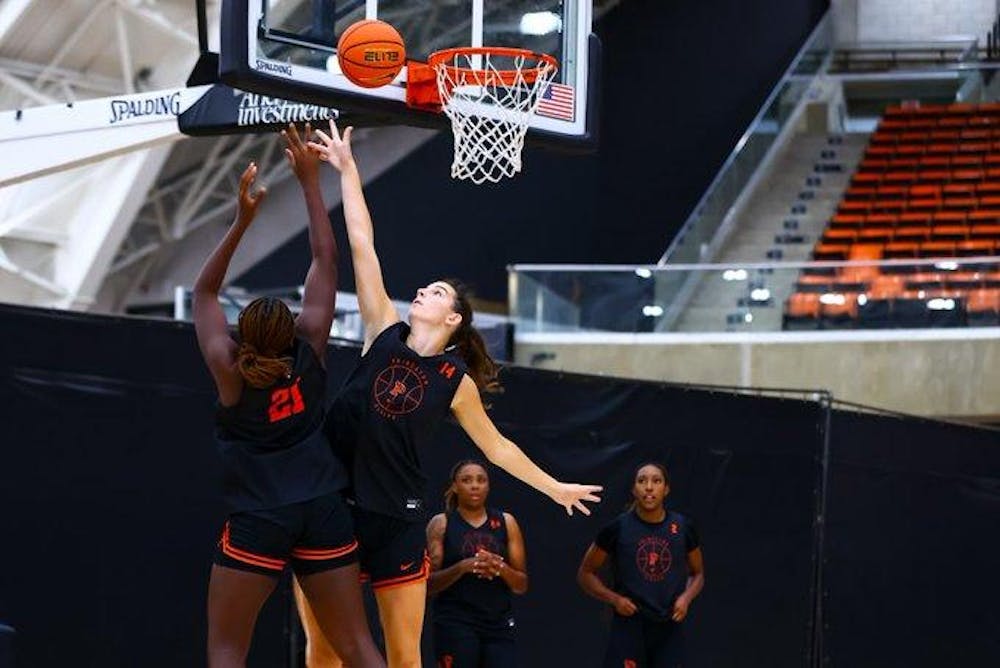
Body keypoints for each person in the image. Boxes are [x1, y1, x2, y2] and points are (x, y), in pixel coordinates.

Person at [295, 119, 603, 668]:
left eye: (435, 291)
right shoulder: (381, 329)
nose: (422, 289)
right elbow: (363, 244)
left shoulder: (455, 380)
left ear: (453, 318)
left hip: (397, 517)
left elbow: (498, 448)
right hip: (331, 505)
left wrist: (554, 488)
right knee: (324, 653)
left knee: (404, 654)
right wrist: (348, 169)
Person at [193, 124, 384, 668]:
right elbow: (326, 260)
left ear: (241, 335)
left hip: (261, 514)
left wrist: (242, 221)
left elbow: (205, 291)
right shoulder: (311, 348)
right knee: (357, 645)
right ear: (293, 327)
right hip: (323, 508)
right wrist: (308, 181)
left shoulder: (229, 370)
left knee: (228, 650)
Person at [577, 463, 704, 668]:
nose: (649, 487)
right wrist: (615, 599)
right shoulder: (618, 528)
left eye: (656, 481)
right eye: (642, 481)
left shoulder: (682, 527)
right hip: (630, 625)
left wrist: (685, 598)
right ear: (634, 489)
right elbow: (585, 573)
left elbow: (698, 574)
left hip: (668, 625)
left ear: (666, 489)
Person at [426, 460, 528, 667]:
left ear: (488, 486)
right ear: (455, 486)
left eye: (481, 480)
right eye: (466, 480)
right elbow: (428, 585)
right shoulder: (441, 523)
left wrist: (500, 568)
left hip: (498, 624)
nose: (474, 485)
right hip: (454, 622)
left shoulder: (506, 521)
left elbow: (521, 585)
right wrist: (463, 567)